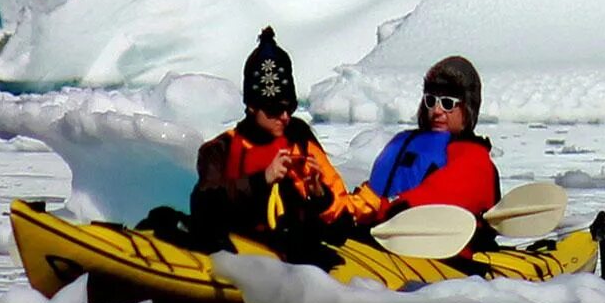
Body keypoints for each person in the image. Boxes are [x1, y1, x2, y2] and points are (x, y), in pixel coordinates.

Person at [190, 27, 356, 245]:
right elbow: (204, 203)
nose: (285, 117)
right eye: (274, 110)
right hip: (238, 248)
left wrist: (319, 195)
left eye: (290, 108)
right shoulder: (219, 150)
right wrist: (262, 180)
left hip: (293, 252)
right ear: (251, 106)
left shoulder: (301, 142)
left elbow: (341, 219)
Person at [349, 56, 501, 251]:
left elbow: (437, 196)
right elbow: (374, 190)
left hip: (440, 253)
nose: (436, 111)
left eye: (447, 103)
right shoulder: (402, 141)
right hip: (380, 235)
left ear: (468, 109)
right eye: (430, 101)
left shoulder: (473, 158)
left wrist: (381, 208)